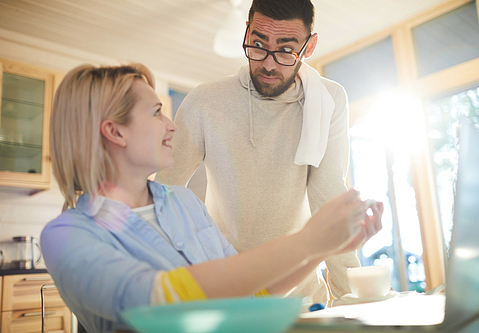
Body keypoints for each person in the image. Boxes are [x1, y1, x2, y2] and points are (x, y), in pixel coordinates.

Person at [41, 63, 382, 333]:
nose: (171, 125)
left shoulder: (184, 203)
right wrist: (307, 241)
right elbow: (158, 301)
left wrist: (323, 248)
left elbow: (248, 295)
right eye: (156, 111)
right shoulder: (66, 236)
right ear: (115, 131)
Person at [156, 0, 356, 304]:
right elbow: (164, 196)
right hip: (230, 292)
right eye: (258, 44)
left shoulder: (329, 100)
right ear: (247, 32)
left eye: (287, 50)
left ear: (309, 46)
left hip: (302, 296)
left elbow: (328, 194)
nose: (269, 64)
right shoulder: (204, 102)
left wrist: (351, 295)